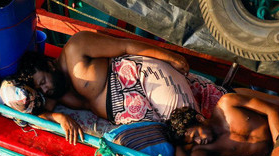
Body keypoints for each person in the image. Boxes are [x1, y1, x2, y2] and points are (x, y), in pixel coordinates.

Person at [16, 30, 198, 144]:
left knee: (190, 130)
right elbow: (37, 116)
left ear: (49, 65)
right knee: (179, 143)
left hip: (143, 78)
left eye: (42, 82)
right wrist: (60, 117)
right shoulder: (55, 91)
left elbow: (125, 45)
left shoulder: (76, 47)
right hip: (133, 111)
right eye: (40, 89)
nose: (45, 89)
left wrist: (170, 57)